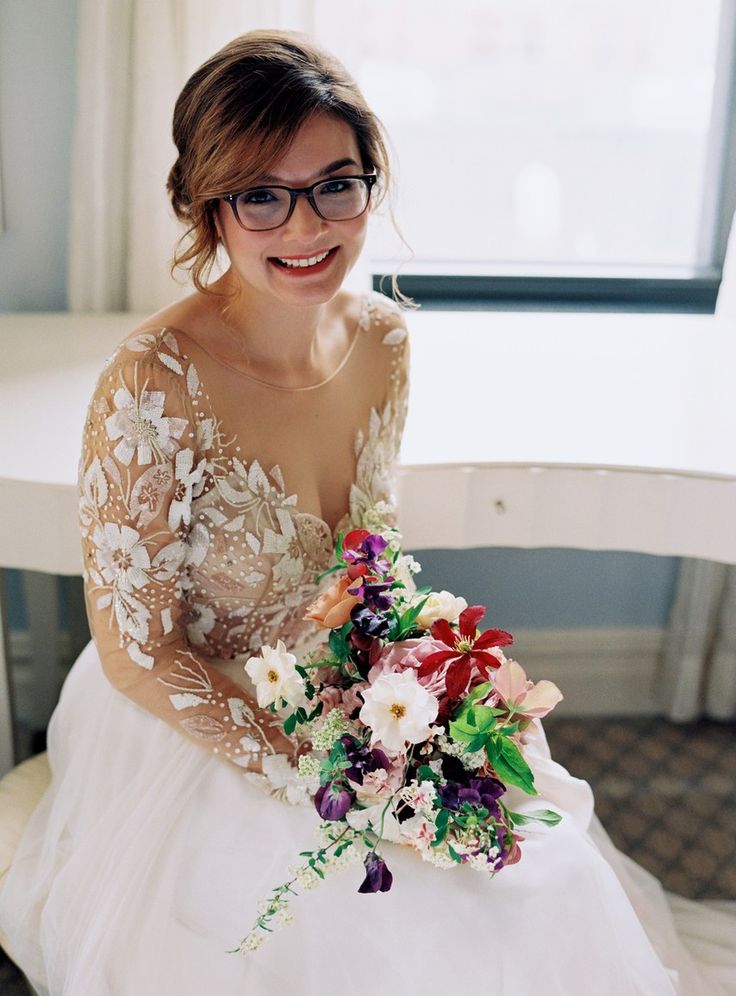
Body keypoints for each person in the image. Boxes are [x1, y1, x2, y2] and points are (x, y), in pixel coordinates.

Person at [0, 29, 734, 996]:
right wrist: (308, 767)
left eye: (334, 184)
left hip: (353, 683)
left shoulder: (384, 336)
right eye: (262, 194)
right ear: (204, 205)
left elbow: (365, 557)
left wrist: (415, 683)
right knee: (359, 923)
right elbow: (140, 654)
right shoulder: (155, 383)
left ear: (369, 185)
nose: (305, 228)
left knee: (522, 870)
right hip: (195, 716)